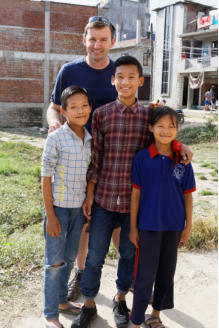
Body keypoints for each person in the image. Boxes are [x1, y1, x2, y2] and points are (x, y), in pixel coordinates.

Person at [71, 55, 193, 328]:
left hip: (134, 203)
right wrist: (90, 195)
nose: (125, 82)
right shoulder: (101, 115)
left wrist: (181, 146)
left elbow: (165, 133)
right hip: (104, 198)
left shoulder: (149, 115)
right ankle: (89, 305)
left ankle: (120, 298)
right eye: (120, 77)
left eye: (131, 77)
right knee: (94, 256)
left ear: (140, 81)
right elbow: (97, 158)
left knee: (128, 255)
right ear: (113, 80)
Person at [47, 16, 120, 302]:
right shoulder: (69, 70)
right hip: (77, 159)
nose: (97, 45)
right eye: (93, 39)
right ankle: (80, 275)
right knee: (84, 221)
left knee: (117, 220)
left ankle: (129, 279)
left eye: (103, 39)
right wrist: (54, 123)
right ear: (84, 40)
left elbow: (137, 108)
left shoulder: (121, 70)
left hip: (114, 160)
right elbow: (53, 107)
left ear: (112, 41)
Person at [129, 106, 196, 328]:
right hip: (148, 226)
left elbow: (188, 196)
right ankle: (136, 321)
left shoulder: (183, 160)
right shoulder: (142, 158)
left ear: (177, 129)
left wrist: (187, 227)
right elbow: (136, 195)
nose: (166, 131)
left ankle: (156, 314)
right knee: (145, 276)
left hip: (174, 226)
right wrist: (133, 227)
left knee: (166, 273)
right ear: (150, 128)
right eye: (160, 126)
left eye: (171, 126)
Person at [42, 86, 92, 328]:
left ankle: (62, 301)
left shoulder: (89, 139)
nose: (80, 110)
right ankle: (51, 313)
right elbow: (45, 178)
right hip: (58, 210)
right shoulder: (55, 138)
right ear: (63, 111)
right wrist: (50, 215)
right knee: (54, 262)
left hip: (78, 210)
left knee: (70, 258)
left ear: (90, 108)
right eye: (73, 107)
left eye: (84, 105)